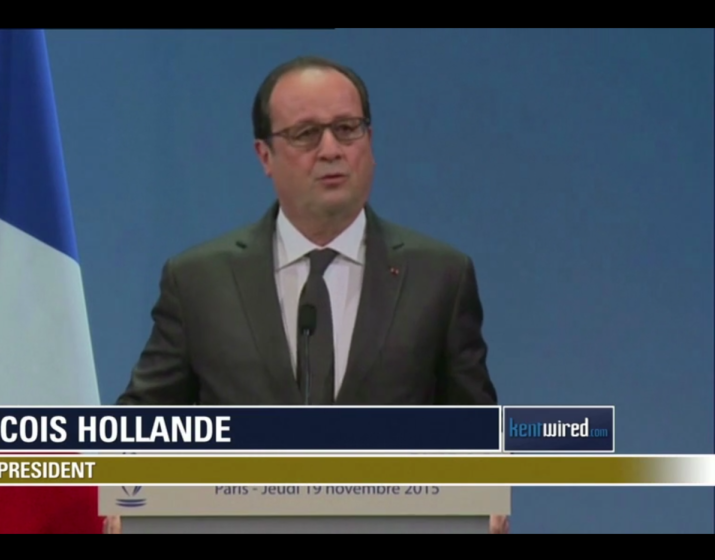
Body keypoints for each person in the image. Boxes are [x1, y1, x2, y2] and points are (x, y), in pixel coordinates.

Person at [108, 55, 508, 534]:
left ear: (371, 142)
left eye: (347, 129)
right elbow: (143, 426)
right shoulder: (198, 280)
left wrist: (485, 494)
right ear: (264, 156)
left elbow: (474, 431)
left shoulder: (441, 275)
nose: (331, 149)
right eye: (305, 134)